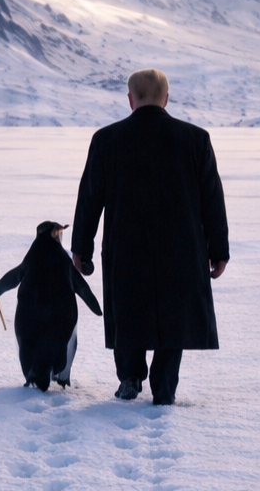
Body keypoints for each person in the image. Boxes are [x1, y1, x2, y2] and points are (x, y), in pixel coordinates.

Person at [70, 68, 229, 405]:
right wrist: (219, 249)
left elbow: (89, 199)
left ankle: (129, 378)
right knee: (175, 316)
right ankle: (165, 386)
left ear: (130, 100)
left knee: (127, 311)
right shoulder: (196, 139)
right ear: (166, 98)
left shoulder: (106, 140)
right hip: (183, 248)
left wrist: (80, 248)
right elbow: (212, 198)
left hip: (125, 247)